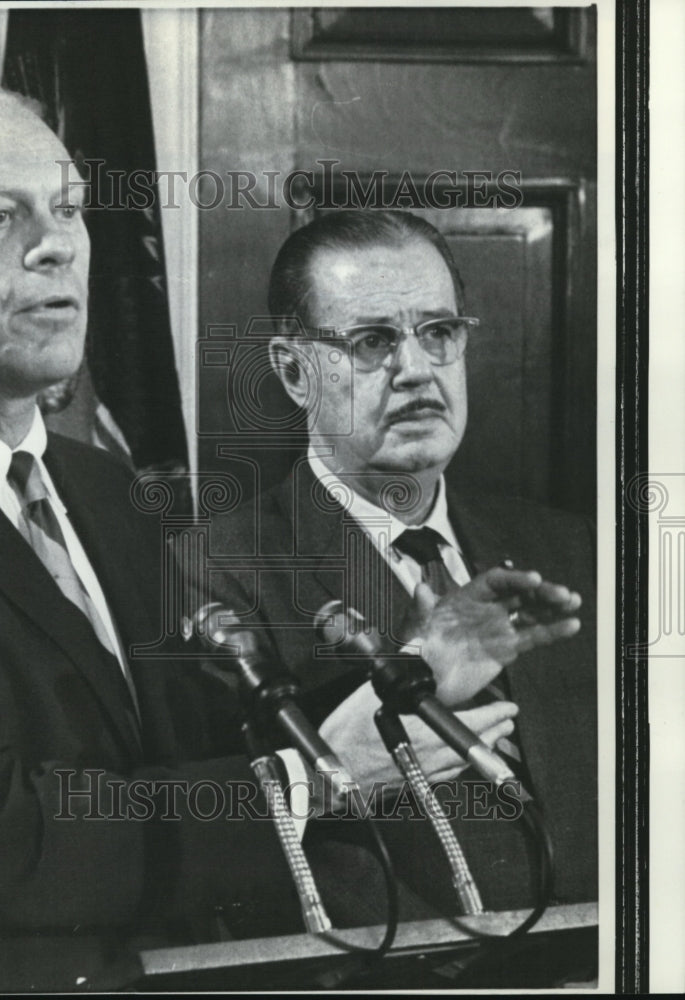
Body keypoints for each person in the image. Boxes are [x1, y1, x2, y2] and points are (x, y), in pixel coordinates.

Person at [0, 91, 584, 993]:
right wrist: (316, 780)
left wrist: (412, 672)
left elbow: (187, 740)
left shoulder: (103, 492)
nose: (55, 245)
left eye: (68, 209)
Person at [198, 210, 597, 924]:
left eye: (438, 332)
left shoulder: (575, 550)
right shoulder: (211, 573)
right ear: (293, 372)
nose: (415, 370)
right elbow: (204, 843)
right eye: (372, 341)